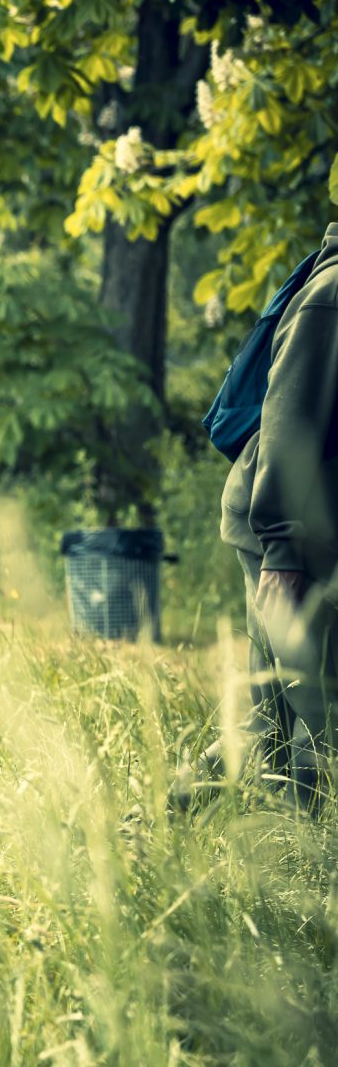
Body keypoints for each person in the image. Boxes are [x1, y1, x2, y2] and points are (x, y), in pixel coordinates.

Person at [179, 225, 338, 814]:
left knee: (269, 718)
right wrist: (284, 549)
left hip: (305, 526)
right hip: (287, 528)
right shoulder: (333, 294)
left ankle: (157, 830)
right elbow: (288, 420)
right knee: (321, 712)